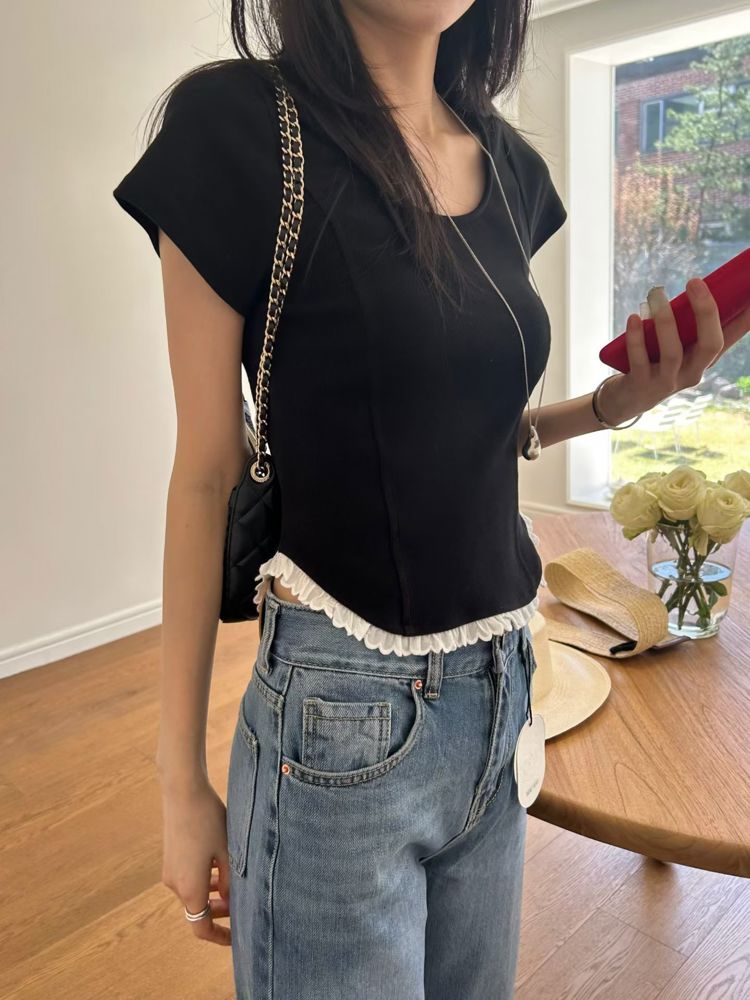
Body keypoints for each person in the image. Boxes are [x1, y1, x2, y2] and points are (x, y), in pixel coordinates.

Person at [112, 2, 733, 997]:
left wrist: (610, 406)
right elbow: (207, 472)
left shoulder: (510, 167)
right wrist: (179, 780)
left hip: (504, 693)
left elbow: (460, 425)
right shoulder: (240, 131)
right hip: (337, 716)